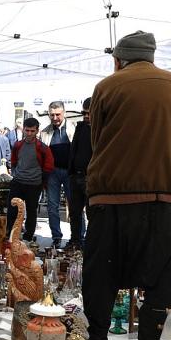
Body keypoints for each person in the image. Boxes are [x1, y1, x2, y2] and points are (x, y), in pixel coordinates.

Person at [82, 30, 171, 340]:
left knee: (101, 271)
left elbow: (98, 141)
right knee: (163, 279)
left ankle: (99, 336)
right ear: (152, 58)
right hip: (169, 198)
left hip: (113, 197)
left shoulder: (107, 87)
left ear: (118, 60)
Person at [6, 117, 54, 242]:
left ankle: (28, 236)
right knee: (12, 209)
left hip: (34, 184)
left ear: (37, 131)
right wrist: (15, 173)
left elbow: (49, 166)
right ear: (23, 130)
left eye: (32, 131)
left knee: (31, 211)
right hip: (18, 181)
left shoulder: (42, 148)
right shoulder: (18, 145)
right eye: (27, 130)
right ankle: (10, 235)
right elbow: (14, 160)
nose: (29, 133)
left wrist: (42, 181)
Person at [39, 101, 72, 247]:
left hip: (70, 172)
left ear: (63, 113)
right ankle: (56, 237)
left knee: (75, 205)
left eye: (57, 114)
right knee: (52, 206)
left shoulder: (73, 129)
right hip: (52, 173)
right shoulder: (45, 131)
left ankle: (78, 237)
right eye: (52, 115)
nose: (55, 118)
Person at [66, 98, 92, 249]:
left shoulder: (100, 129)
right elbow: (73, 149)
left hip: (90, 178)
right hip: (76, 176)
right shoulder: (80, 127)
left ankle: (89, 242)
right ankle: (75, 240)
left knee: (91, 213)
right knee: (75, 212)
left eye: (89, 113)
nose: (86, 116)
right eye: (84, 113)